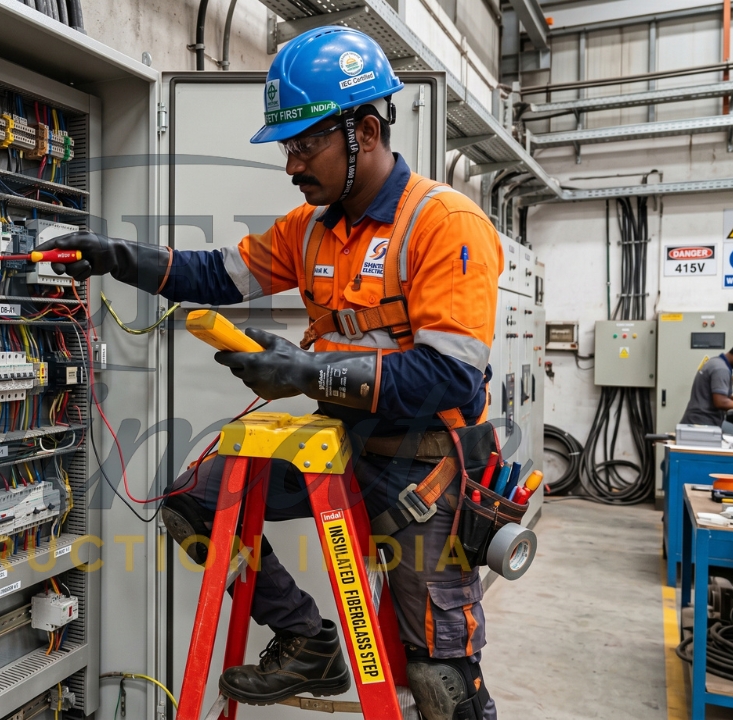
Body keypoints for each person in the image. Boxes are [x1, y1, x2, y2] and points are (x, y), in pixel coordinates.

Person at [37, 27, 501, 720]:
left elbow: (450, 377)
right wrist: (115, 256)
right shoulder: (310, 229)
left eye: (304, 144)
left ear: (365, 132)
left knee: (440, 681)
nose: (291, 165)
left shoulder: (443, 223)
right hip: (343, 446)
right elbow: (214, 274)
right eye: (287, 147)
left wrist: (308, 372)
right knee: (193, 505)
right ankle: (306, 637)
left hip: (424, 468)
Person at [679, 340, 733, 427]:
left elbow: (715, 396)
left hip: (696, 421)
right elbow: (720, 402)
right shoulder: (721, 369)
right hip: (701, 424)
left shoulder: (714, 362)